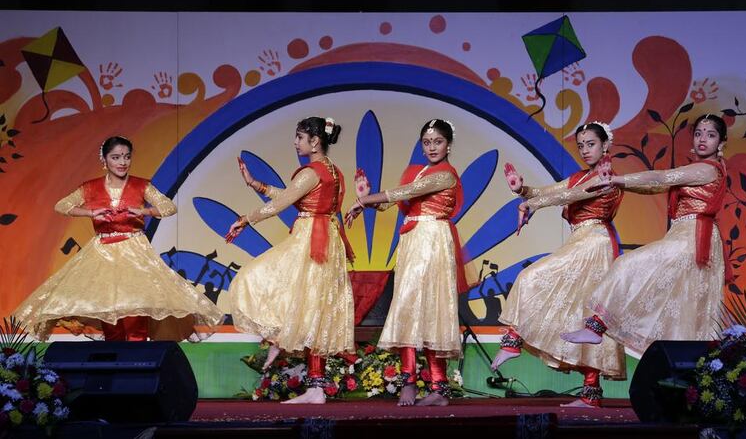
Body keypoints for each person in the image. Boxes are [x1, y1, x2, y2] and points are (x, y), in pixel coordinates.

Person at [13, 136, 224, 341]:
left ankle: (138, 365)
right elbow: (61, 205)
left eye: (126, 156)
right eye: (116, 157)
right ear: (104, 160)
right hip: (103, 253)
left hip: (134, 251)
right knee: (109, 313)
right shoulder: (90, 187)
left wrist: (144, 211)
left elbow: (169, 207)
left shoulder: (141, 186)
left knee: (136, 311)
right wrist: (90, 213)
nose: (122, 162)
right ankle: (114, 367)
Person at [561, 114, 729, 354]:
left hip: (693, 238)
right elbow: (655, 186)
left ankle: (596, 326)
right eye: (698, 133)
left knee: (628, 265)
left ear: (721, 143)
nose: (703, 139)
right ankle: (683, 371)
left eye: (710, 135)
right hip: (687, 236)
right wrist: (617, 183)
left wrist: (617, 180)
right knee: (681, 305)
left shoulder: (705, 169)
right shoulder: (698, 169)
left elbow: (660, 177)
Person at [490, 122, 627, 408]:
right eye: (581, 145)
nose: (585, 150)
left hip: (595, 245)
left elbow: (568, 197)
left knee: (532, 279)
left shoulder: (606, 176)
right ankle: (590, 395)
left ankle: (512, 342)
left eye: (591, 144)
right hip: (581, 243)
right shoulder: (580, 176)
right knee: (581, 313)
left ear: (605, 145)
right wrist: (524, 190)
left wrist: (532, 205)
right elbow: (550, 190)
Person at [226, 117, 354, 405]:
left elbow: (281, 204)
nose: (296, 142)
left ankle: (281, 343)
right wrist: (256, 184)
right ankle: (314, 385)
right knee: (312, 306)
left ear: (315, 141)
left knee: (256, 276)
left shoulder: (312, 171)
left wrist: (245, 219)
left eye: (300, 137)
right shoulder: (331, 170)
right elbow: (290, 195)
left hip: (312, 238)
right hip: (325, 237)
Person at [345, 119, 467, 407]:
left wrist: (365, 201)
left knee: (430, 310)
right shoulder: (416, 171)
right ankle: (410, 382)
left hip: (432, 240)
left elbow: (404, 193)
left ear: (449, 144)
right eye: (426, 142)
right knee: (408, 308)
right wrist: (368, 198)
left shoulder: (446, 174)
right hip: (412, 240)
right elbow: (399, 202)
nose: (432, 147)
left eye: (438, 141)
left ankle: (438, 388)